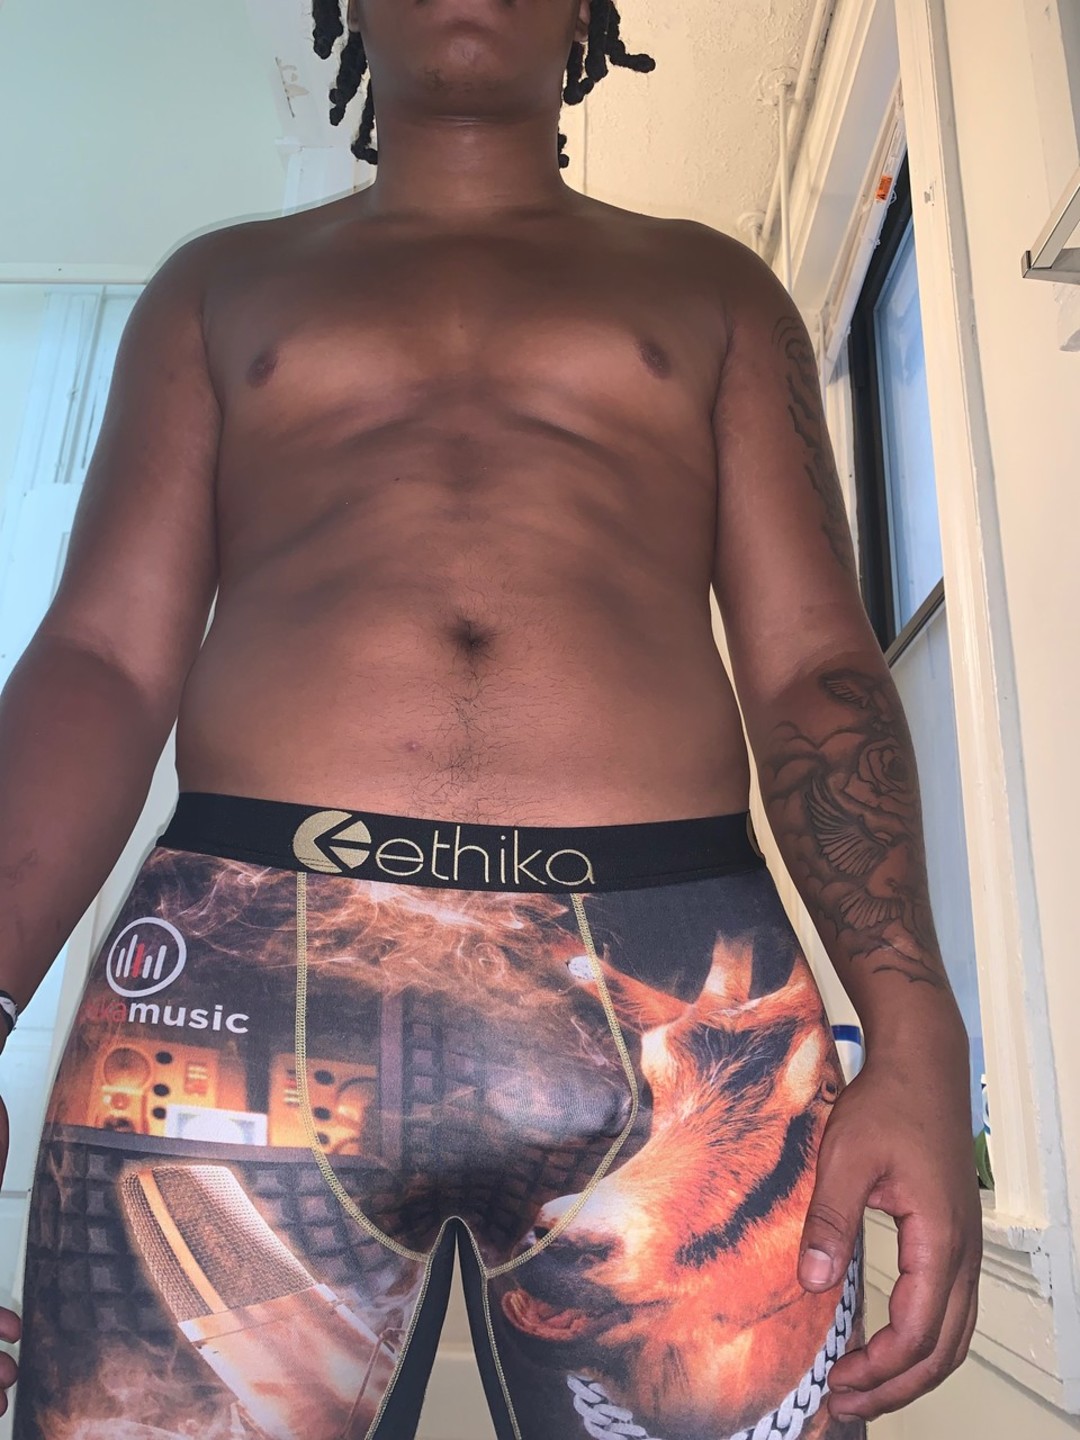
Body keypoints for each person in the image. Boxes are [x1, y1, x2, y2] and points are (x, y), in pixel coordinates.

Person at [0, 1, 982, 1437]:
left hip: (677, 980)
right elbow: (98, 659)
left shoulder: (717, 289)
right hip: (243, 970)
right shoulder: (215, 289)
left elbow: (814, 671)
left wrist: (919, 1038)